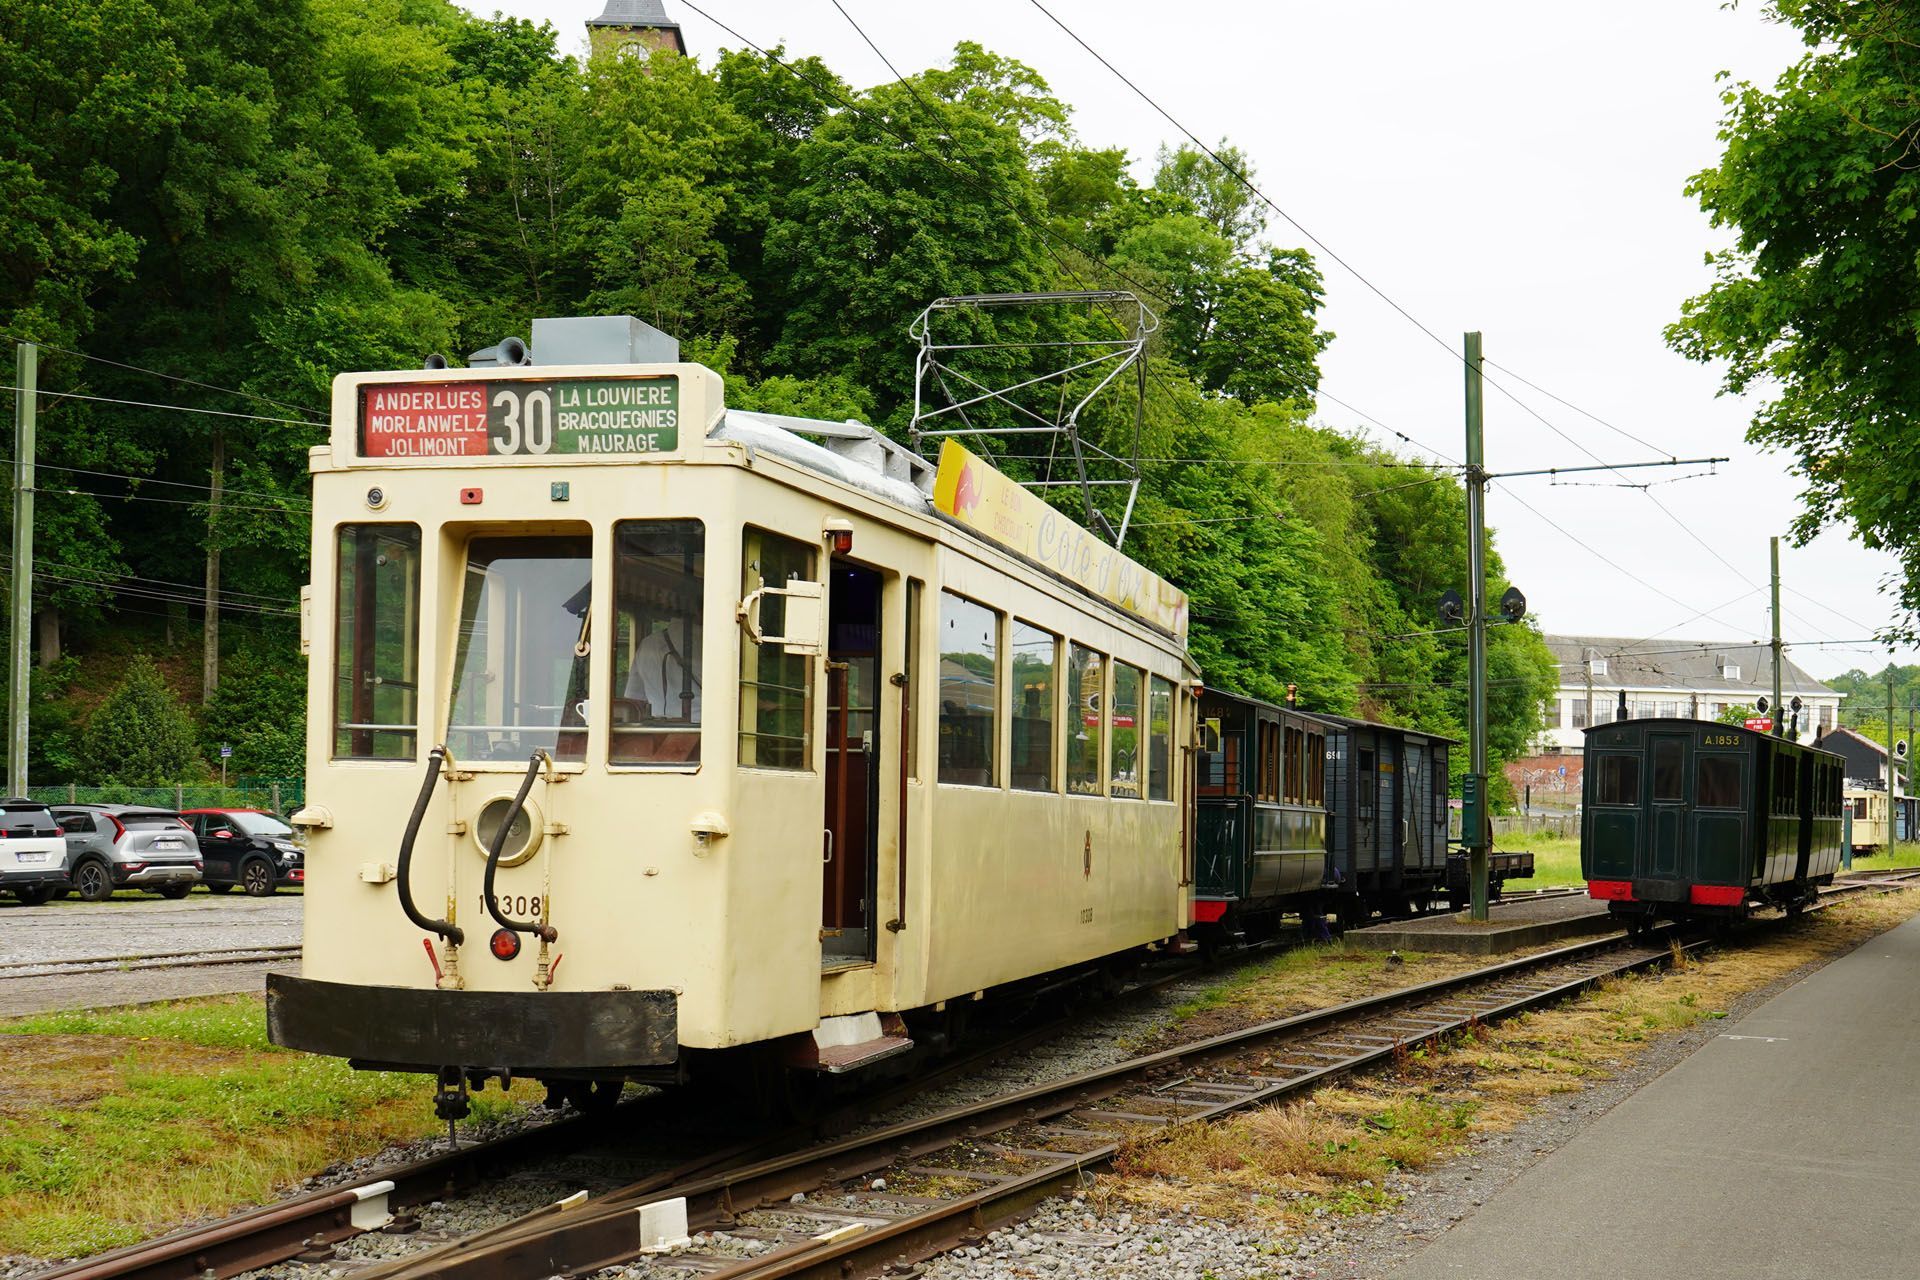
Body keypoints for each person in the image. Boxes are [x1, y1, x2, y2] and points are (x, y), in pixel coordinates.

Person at [625, 619, 701, 722]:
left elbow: (634, 700)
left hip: (658, 730)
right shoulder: (709, 639)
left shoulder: (647, 644)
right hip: (704, 727)